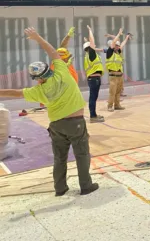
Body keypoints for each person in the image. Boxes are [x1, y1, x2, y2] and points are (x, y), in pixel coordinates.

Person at [0, 28, 98, 196]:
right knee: (81, 154)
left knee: (60, 158)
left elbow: (14, 93)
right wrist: (38, 37)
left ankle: (60, 189)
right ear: (49, 68)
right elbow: (53, 51)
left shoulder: (38, 91)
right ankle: (86, 185)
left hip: (56, 126)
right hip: (75, 123)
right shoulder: (62, 73)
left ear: (37, 78)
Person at [82, 26, 105, 123]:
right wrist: (90, 31)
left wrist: (86, 40)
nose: (94, 46)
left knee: (93, 98)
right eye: (92, 45)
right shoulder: (91, 54)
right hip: (94, 80)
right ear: (89, 47)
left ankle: (94, 115)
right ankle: (92, 116)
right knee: (93, 98)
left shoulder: (89, 55)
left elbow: (90, 43)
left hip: (94, 79)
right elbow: (92, 41)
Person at [106, 28, 131, 112]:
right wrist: (119, 34)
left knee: (118, 92)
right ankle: (110, 106)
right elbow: (113, 43)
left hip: (120, 76)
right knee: (112, 92)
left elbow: (123, 44)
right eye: (116, 45)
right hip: (113, 76)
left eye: (118, 45)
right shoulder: (110, 52)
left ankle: (117, 105)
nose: (118, 46)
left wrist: (127, 38)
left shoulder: (119, 52)